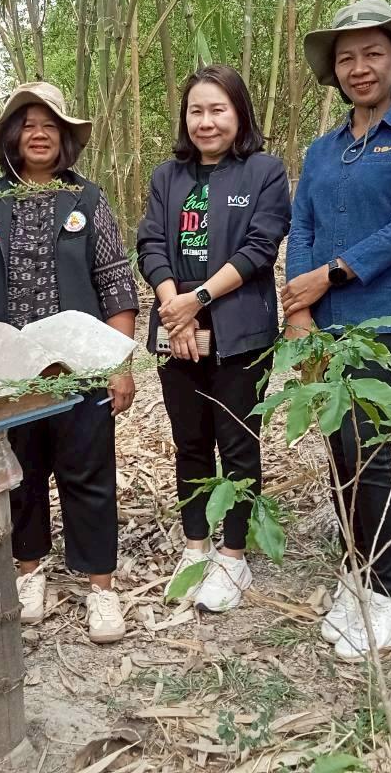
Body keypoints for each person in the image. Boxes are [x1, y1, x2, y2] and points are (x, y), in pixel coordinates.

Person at [282, 0, 391, 659]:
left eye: (373, 53)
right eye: (347, 57)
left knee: (370, 450)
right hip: (323, 323)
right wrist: (299, 307)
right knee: (339, 452)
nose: (360, 67)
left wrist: (330, 275)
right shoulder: (322, 150)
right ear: (334, 69)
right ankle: (358, 574)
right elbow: (303, 226)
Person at [0, 81, 139, 644]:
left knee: (89, 475)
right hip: (8, 371)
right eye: (28, 125)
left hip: (78, 369)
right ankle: (30, 570)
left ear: (64, 139)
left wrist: (119, 362)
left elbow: (115, 280)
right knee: (23, 473)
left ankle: (101, 587)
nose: (39, 135)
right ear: (13, 138)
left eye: (50, 127)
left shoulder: (87, 200)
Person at [137, 64, 290, 614]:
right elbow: (151, 243)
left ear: (239, 113)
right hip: (175, 325)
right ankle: (196, 546)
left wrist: (195, 303)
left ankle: (233, 554)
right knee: (191, 443)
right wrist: (173, 307)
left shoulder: (265, 172)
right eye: (196, 110)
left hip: (239, 332)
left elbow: (258, 248)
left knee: (239, 443)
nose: (206, 121)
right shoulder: (168, 177)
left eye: (218, 109)